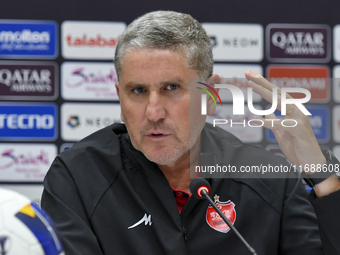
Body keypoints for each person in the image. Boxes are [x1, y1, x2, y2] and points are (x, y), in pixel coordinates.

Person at [42, 11, 340, 255]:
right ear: (120, 97)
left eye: (172, 88)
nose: (154, 112)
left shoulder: (270, 181)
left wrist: (321, 173)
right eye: (138, 91)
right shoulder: (78, 176)